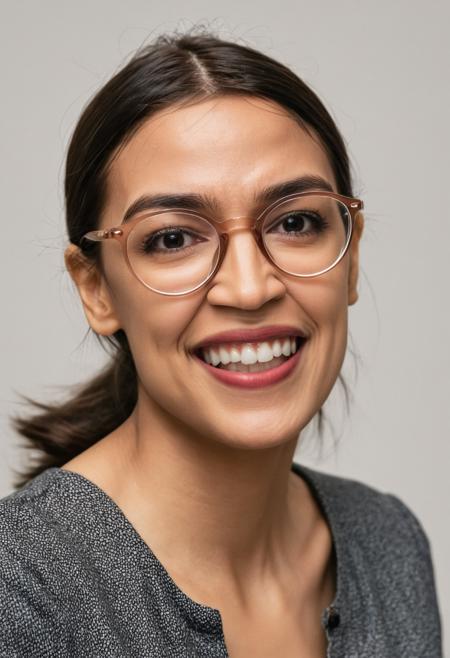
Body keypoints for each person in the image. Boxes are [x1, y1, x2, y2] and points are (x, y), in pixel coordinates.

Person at [0, 29, 443, 658]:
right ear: (96, 288)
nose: (248, 287)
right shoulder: (19, 592)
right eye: (175, 237)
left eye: (295, 223)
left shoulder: (389, 542)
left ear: (350, 256)